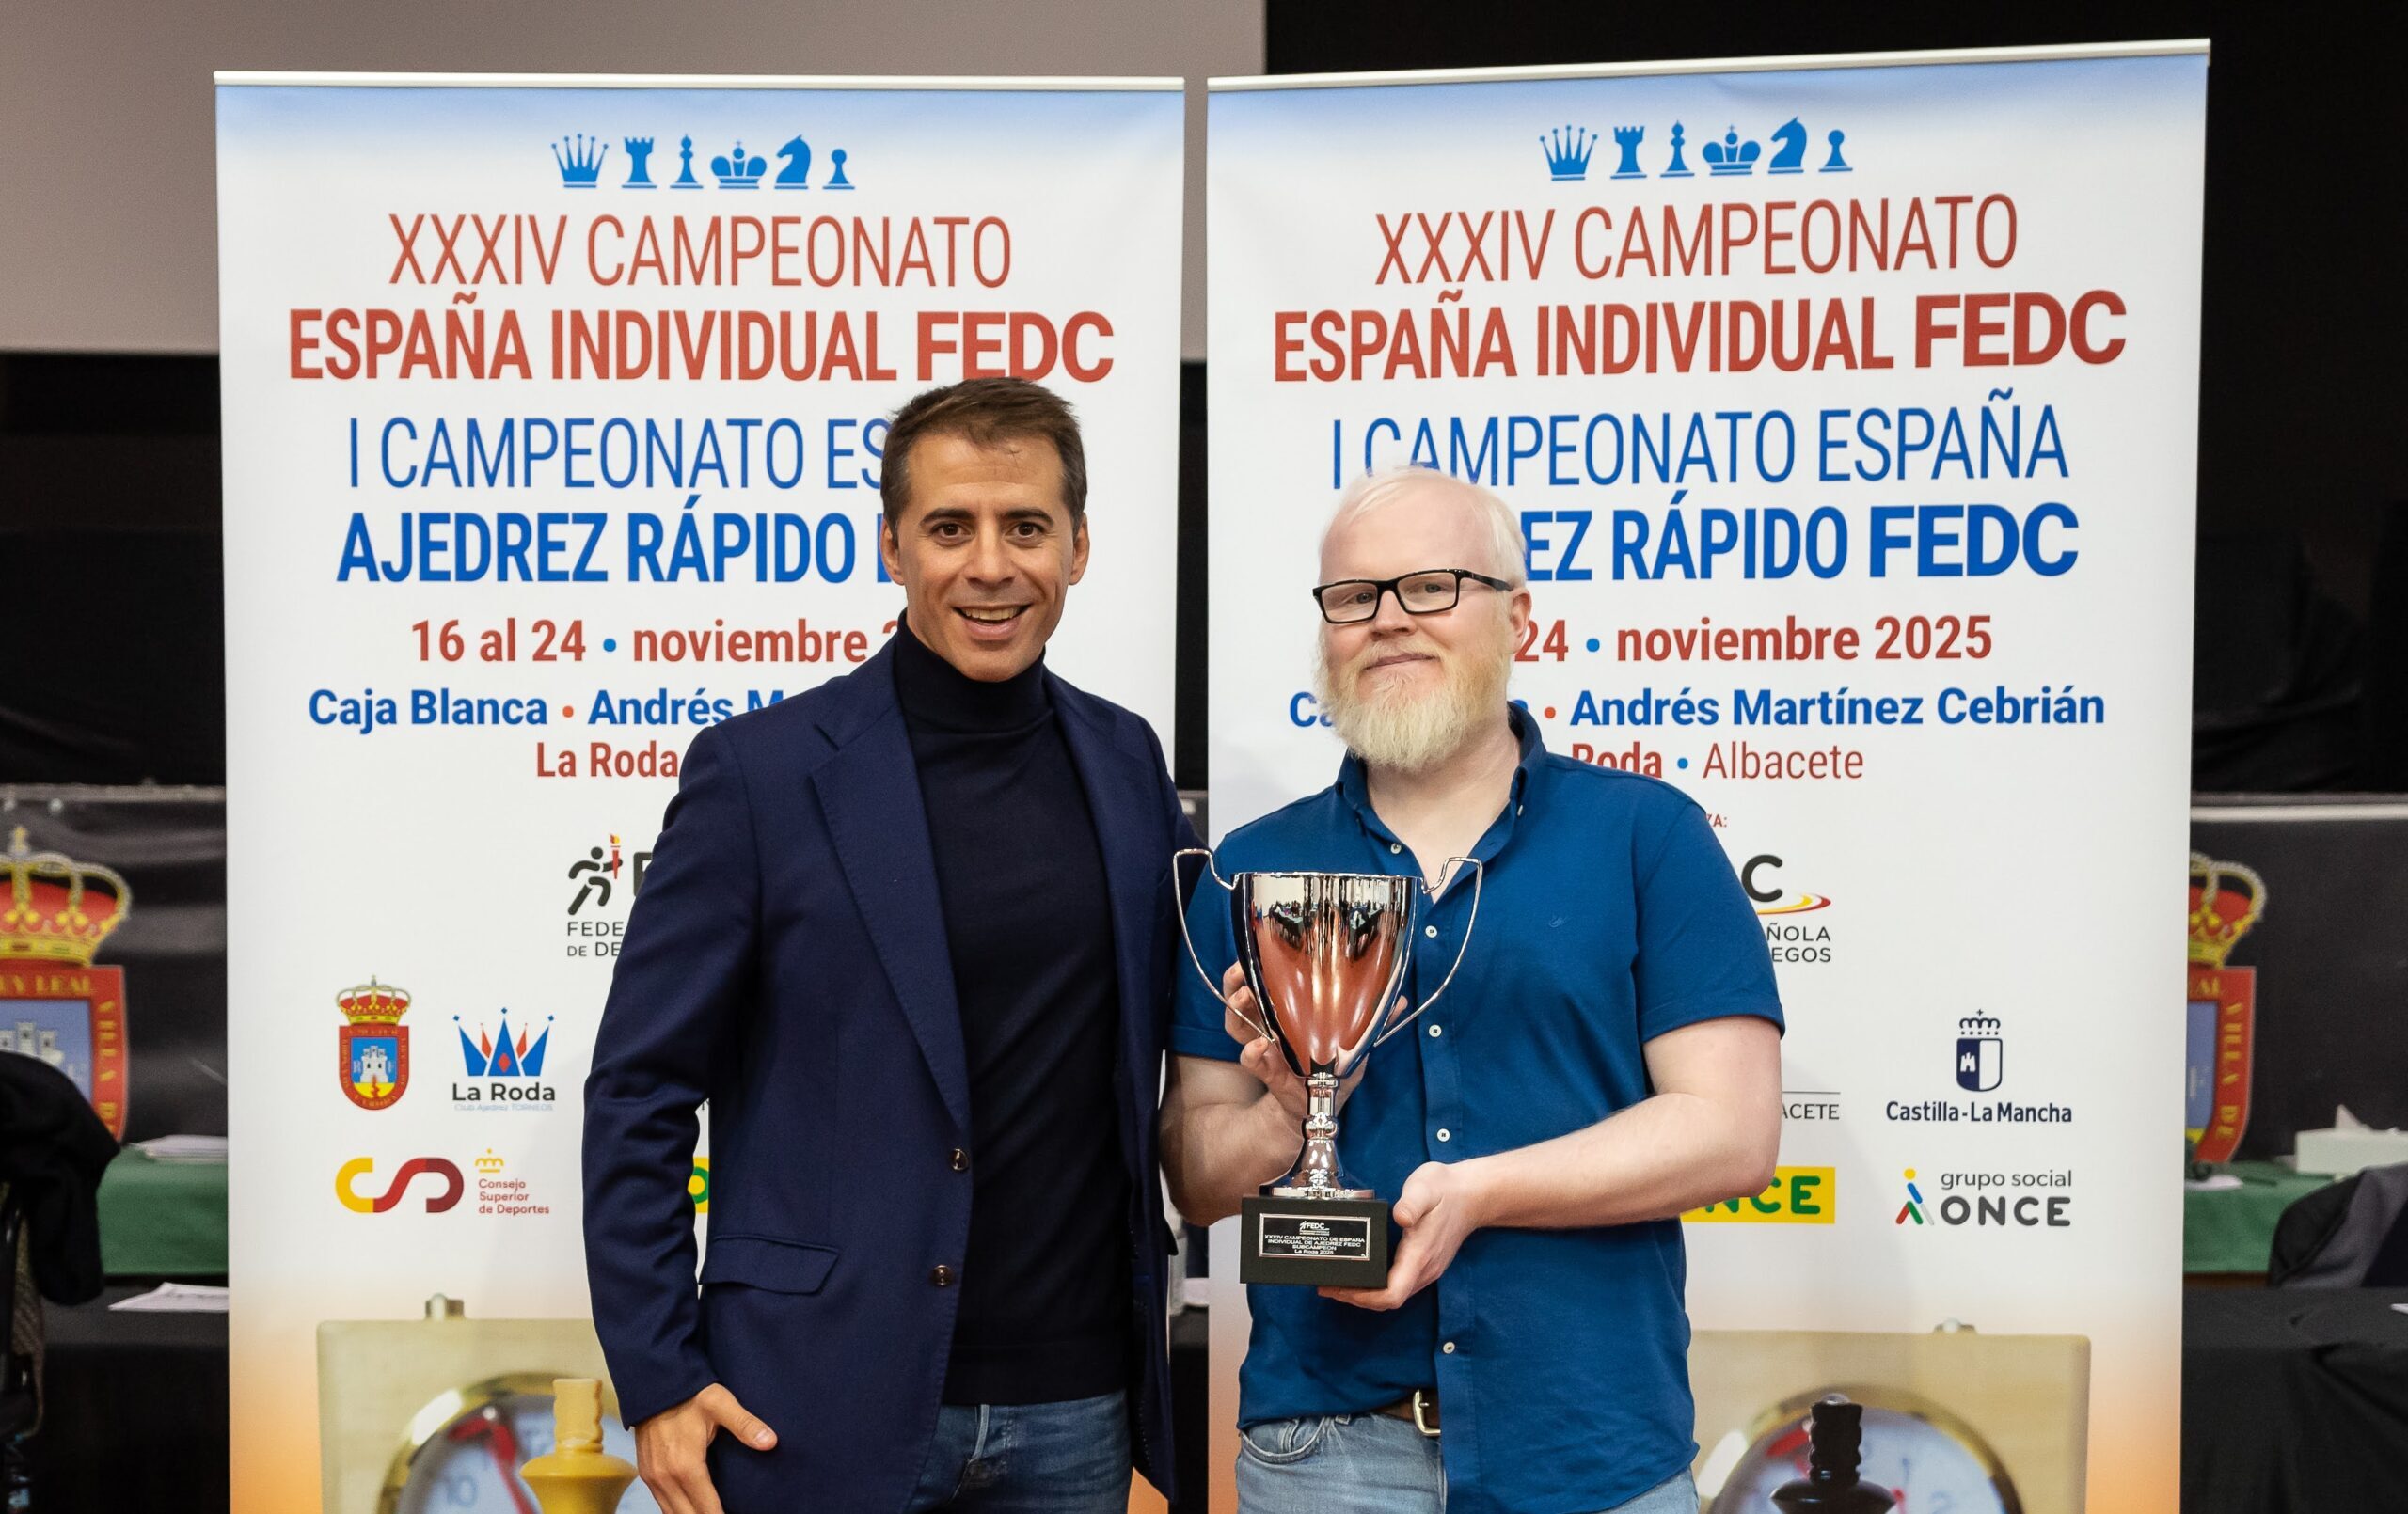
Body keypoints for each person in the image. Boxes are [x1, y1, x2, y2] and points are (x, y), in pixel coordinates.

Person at [585, 377, 1191, 1514]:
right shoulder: (759, 773)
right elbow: (639, 1088)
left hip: (1077, 1403)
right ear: (892, 546)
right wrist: (658, 1371)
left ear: (1078, 546)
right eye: (949, 527)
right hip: (810, 1396)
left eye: (1026, 527)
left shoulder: (1126, 762)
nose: (990, 565)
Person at [1161, 465, 1783, 1514]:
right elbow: (1196, 1178)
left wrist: (1480, 1192)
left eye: (1431, 586)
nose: (1388, 620)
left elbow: (1732, 1132)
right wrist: (1286, 1115)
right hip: (1327, 1456)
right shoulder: (1252, 869)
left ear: (1518, 616)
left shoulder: (1647, 836)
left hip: (1592, 1450)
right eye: (1354, 595)